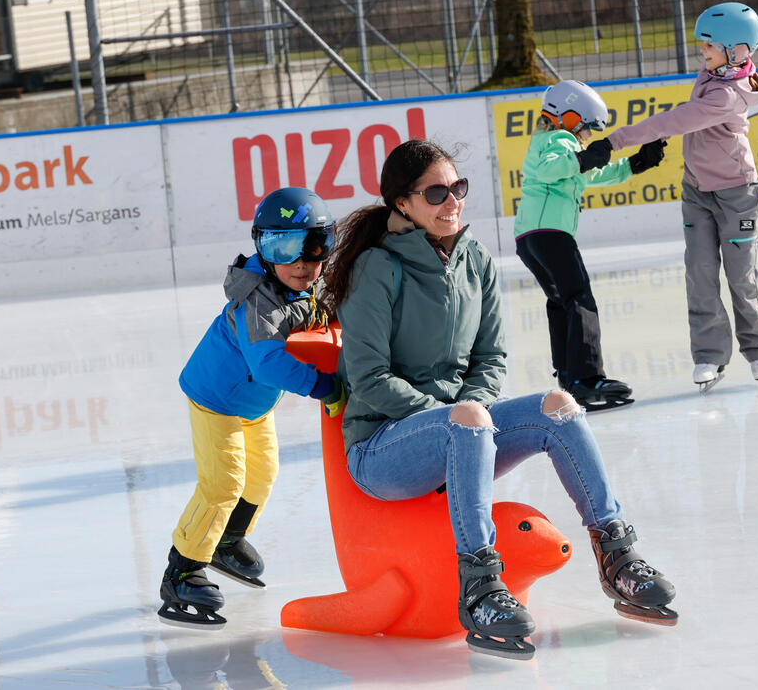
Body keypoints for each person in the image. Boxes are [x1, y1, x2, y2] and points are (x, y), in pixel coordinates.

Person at [322, 139, 677, 660]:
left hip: (464, 430)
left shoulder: (475, 260)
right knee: (467, 417)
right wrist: (455, 419)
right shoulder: (377, 269)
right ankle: (481, 586)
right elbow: (370, 379)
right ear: (402, 204)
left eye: (457, 188)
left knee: (558, 407)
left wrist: (472, 416)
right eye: (436, 193)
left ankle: (616, 554)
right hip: (383, 447)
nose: (453, 202)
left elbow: (490, 362)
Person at [157, 187, 347, 629]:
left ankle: (225, 540)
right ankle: (181, 569)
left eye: (315, 248)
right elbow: (267, 364)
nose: (302, 263)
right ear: (263, 248)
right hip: (217, 399)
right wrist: (324, 386)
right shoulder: (257, 300)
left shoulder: (306, 287)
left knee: (262, 474)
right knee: (223, 484)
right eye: (284, 248)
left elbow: (320, 317)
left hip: (252, 405)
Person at [586, 1, 758, 391]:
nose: (701, 52)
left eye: (709, 46)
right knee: (700, 274)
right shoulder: (716, 71)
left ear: (737, 50)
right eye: (703, 46)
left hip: (736, 194)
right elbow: (687, 115)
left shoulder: (728, 95)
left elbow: (678, 119)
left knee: (741, 277)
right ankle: (709, 355)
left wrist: (613, 142)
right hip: (696, 191)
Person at [514, 79, 666, 411]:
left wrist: (635, 164)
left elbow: (593, 174)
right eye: (586, 129)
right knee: (579, 298)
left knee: (561, 302)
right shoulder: (556, 139)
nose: (587, 138)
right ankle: (588, 378)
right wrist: (584, 158)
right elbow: (552, 168)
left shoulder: (559, 146)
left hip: (530, 238)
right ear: (569, 118)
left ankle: (569, 375)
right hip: (549, 233)